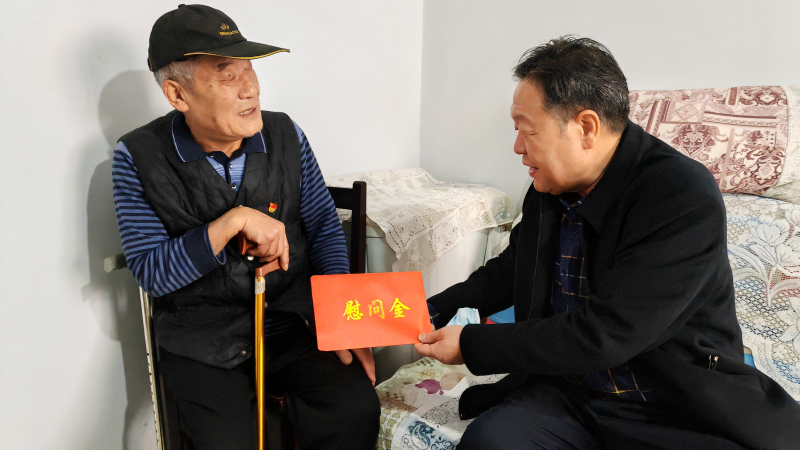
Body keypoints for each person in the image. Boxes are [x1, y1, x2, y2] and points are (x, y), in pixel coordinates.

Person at [415, 36, 800, 450]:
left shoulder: (679, 195)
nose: (518, 148)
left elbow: (609, 331)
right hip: (569, 392)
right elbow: (512, 270)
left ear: (585, 127)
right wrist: (430, 309)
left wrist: (471, 344)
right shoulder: (549, 188)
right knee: (491, 442)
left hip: (669, 403)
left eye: (528, 131)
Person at [111, 5, 379, 449]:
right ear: (178, 94)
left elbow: (324, 227)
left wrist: (340, 322)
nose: (250, 87)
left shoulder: (285, 134)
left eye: (249, 68)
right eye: (227, 74)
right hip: (204, 341)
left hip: (292, 323)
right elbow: (152, 273)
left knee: (354, 409)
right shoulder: (138, 157)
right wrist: (230, 223)